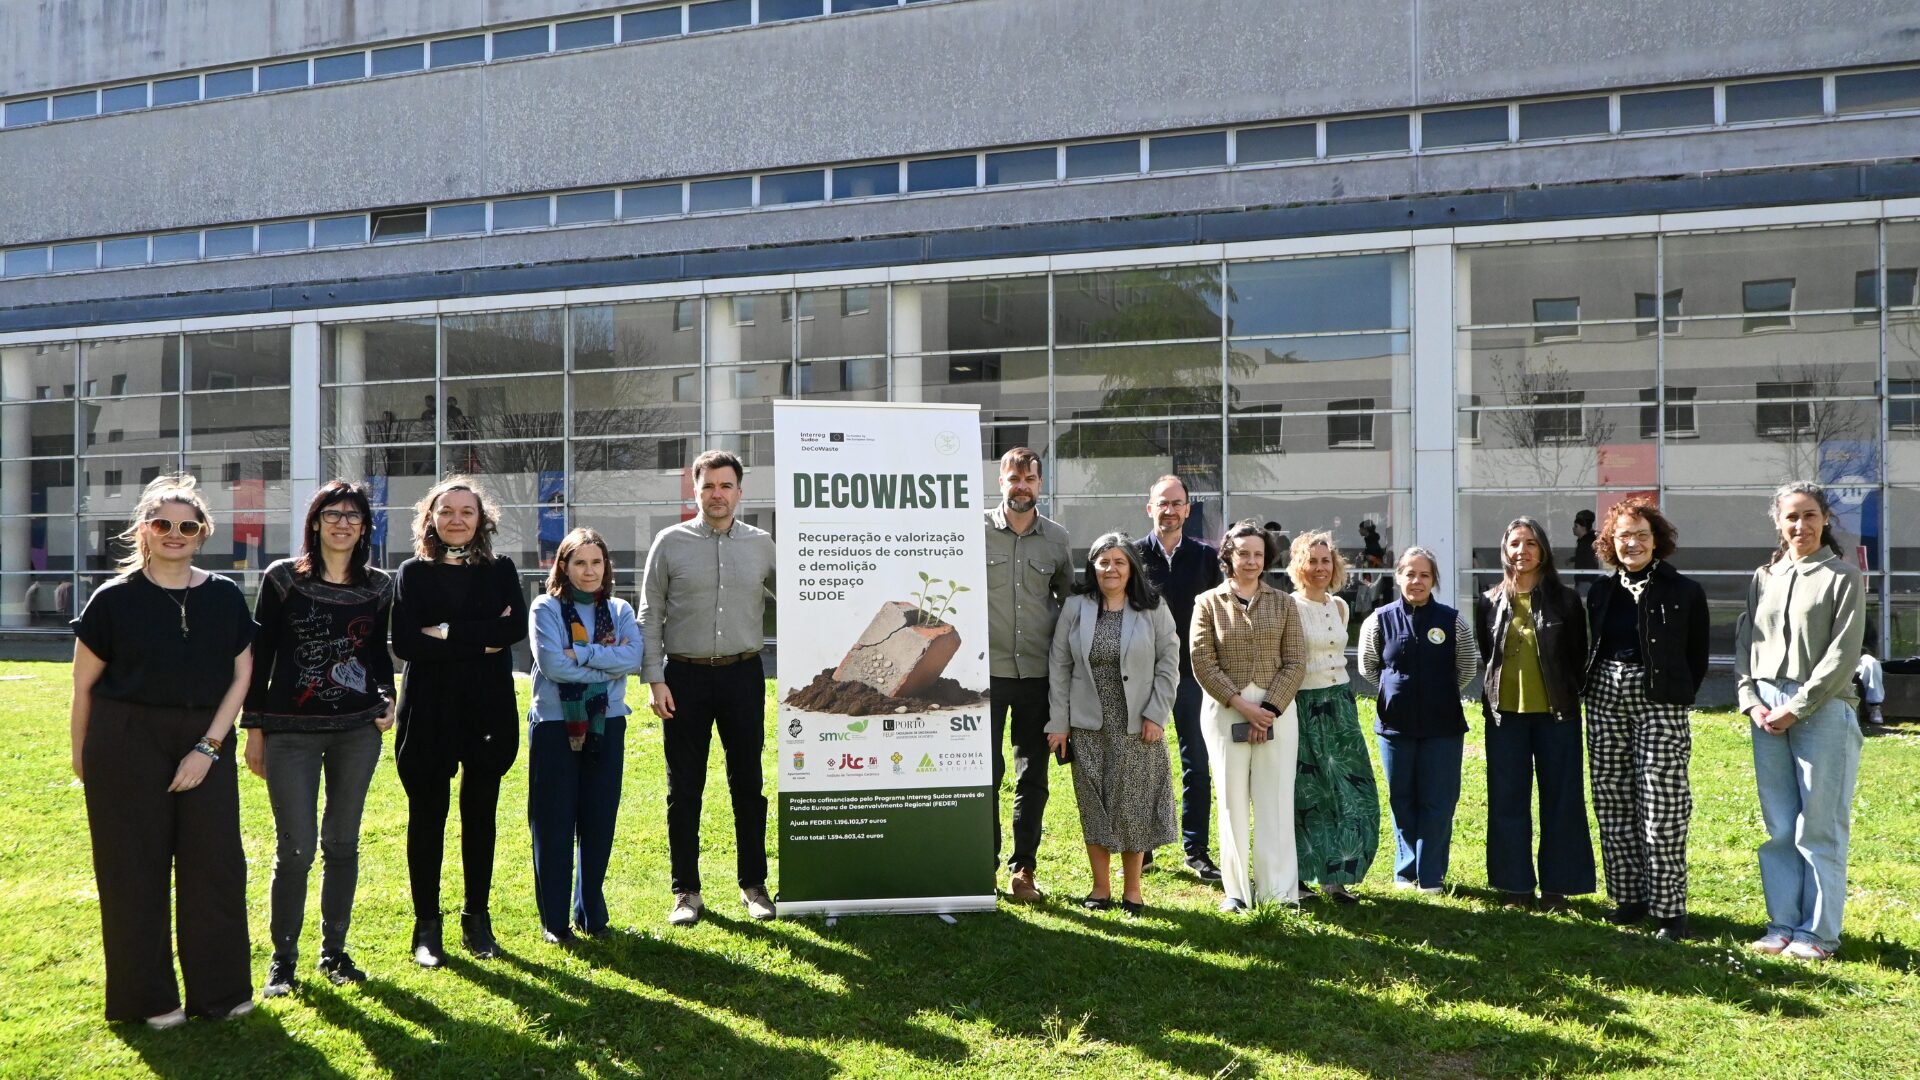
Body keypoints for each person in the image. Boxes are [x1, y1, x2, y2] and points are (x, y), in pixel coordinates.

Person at [69, 473, 256, 1027]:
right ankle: (147, 999)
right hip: (124, 741)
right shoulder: (113, 599)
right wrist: (82, 756)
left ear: (202, 533)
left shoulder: (222, 594)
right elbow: (82, 688)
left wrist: (208, 747)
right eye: (161, 523)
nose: (174, 533)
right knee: (132, 871)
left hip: (206, 737)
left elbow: (241, 675)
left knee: (216, 865)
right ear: (143, 531)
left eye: (187, 525)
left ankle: (220, 993)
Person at [242, 480, 394, 997]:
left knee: (342, 843)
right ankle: (282, 962)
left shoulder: (378, 585)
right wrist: (255, 729)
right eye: (333, 513)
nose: (343, 522)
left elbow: (377, 656)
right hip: (290, 734)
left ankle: (334, 953)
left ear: (365, 526)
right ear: (315, 520)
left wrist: (386, 696)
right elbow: (260, 658)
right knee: (297, 848)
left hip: (356, 733)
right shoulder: (283, 579)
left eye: (354, 515)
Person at [391, 475, 527, 966]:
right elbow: (406, 643)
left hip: (486, 707)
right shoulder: (411, 572)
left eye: (466, 512)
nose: (456, 520)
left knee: (480, 816)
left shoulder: (501, 570)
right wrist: (478, 639)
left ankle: (478, 920)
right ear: (430, 518)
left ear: (481, 520)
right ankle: (427, 927)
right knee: (427, 817)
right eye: (446, 511)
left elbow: (512, 629)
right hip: (428, 710)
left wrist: (444, 633)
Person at [640, 449, 778, 926]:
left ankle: (753, 885)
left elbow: (796, 601)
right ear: (694, 491)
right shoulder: (669, 542)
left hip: (743, 675)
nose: (717, 495)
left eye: (725, 486)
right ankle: (686, 892)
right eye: (708, 486)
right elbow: (650, 613)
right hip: (683, 678)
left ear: (740, 491)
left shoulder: (763, 544)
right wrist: (654, 678)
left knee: (749, 784)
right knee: (685, 788)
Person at [1737, 481, 1866, 962]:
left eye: (1809, 516)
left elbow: (1842, 654)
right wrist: (1751, 699)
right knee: (1778, 825)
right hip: (1765, 706)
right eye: (1791, 517)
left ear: (1825, 519)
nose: (1800, 526)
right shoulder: (1763, 577)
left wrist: (1799, 706)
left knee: (1820, 824)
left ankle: (1819, 933)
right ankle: (1783, 924)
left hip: (1823, 708)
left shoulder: (1844, 577)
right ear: (1778, 522)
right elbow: (1743, 644)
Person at [1582, 496, 1708, 941]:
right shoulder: (1600, 591)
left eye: (1640, 535)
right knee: (1612, 799)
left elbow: (1697, 655)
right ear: (1609, 543)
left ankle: (1670, 911)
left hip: (1660, 699)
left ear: (1657, 540)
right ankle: (1629, 898)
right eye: (1623, 536)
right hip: (1603, 697)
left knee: (1662, 806)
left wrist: (1676, 693)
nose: (1631, 543)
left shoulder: (1684, 591)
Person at [1045, 533, 1180, 915]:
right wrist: (1059, 723)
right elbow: (1059, 667)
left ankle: (1133, 891)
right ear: (1093, 566)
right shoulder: (1075, 607)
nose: (1111, 569)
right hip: (1087, 725)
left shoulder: (1153, 609)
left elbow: (1169, 665)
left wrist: (1156, 714)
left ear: (1131, 567)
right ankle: (1100, 888)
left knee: (1132, 806)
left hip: (1137, 725)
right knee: (1095, 806)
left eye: (1119, 562)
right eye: (1103, 562)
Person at [1474, 517, 1594, 912]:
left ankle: (1558, 887)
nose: (1521, 551)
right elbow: (1486, 653)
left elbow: (1579, 656)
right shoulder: (1489, 601)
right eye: (1514, 544)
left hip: (1556, 715)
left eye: (1530, 543)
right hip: (1504, 717)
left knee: (1561, 799)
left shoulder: (1567, 601)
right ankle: (1516, 886)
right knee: (1508, 800)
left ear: (1543, 550)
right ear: (1504, 551)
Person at [528, 527, 641, 943]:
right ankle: (555, 922)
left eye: (597, 562)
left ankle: (591, 913)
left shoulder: (620, 609)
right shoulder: (545, 608)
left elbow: (634, 657)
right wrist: (607, 664)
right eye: (580, 562)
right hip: (557, 725)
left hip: (608, 723)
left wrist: (586, 654)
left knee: (598, 822)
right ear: (564, 566)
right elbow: (555, 667)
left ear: (606, 566)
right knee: (555, 825)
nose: (589, 571)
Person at [1189, 520, 1307, 912]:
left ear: (1266, 558)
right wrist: (1243, 706)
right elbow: (1202, 662)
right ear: (1228, 556)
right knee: (1231, 800)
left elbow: (1295, 661)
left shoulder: (1285, 603)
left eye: (1258, 553)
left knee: (1275, 798)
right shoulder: (1207, 602)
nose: (1251, 560)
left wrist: (1268, 710)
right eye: (1243, 553)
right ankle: (1236, 892)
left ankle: (1279, 891)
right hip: (1226, 711)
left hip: (1277, 711)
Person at [983, 446, 1073, 902]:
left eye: (1030, 479)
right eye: (1013, 478)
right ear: (1001, 481)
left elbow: (1069, 605)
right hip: (986, 674)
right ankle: (983, 866)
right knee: (984, 772)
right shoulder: (972, 531)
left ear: (1040, 484)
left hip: (1039, 675)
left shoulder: (1057, 539)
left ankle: (1024, 870)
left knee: (1032, 774)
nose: (1021, 486)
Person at [1359, 546, 1477, 894]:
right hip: (1395, 727)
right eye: (1409, 573)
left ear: (1434, 580)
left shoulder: (1452, 620)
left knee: (1438, 801)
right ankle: (1405, 872)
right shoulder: (1378, 619)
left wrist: (1437, 693)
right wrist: (1394, 690)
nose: (1417, 581)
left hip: (1443, 727)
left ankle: (1431, 876)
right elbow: (1369, 667)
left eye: (1424, 574)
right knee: (1402, 799)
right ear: (1398, 577)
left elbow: (1467, 668)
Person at [1132, 475, 1224, 882]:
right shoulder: (1131, 556)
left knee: (1197, 763)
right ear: (1149, 508)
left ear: (1188, 509)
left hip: (1194, 673)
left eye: (1177, 503)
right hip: (1141, 675)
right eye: (1162, 503)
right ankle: (1143, 847)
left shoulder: (1208, 558)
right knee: (1141, 760)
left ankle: (1196, 850)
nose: (1169, 510)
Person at [1287, 530, 1378, 903]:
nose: (1320, 568)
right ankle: (1299, 877)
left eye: (1326, 560)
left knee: (1351, 790)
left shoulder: (1339, 607)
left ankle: (1336, 876)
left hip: (1340, 703)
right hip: (1303, 705)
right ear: (1299, 566)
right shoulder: (1287, 606)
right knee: (1307, 793)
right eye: (1312, 561)